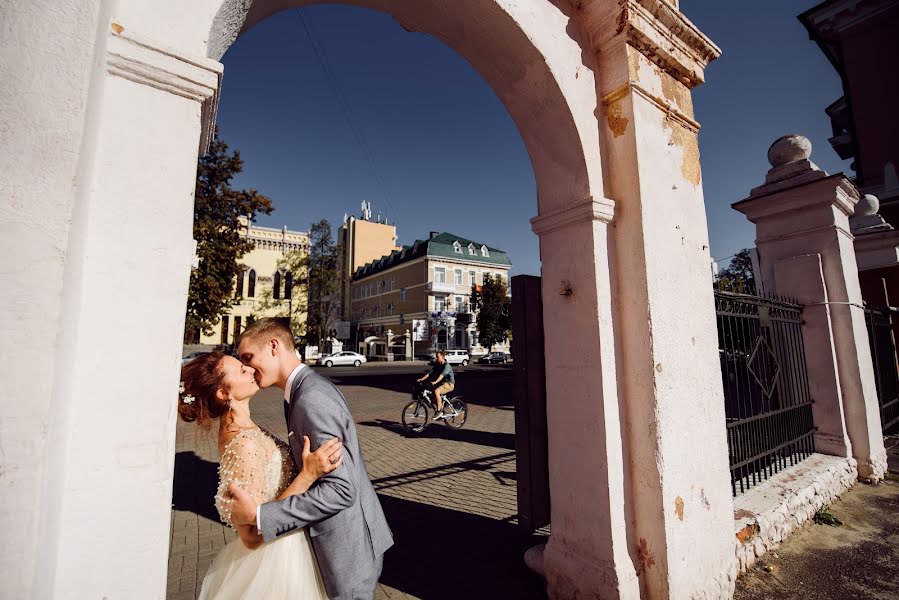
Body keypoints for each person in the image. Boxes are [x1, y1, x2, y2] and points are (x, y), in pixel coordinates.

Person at [228, 318, 394, 600]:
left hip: (348, 553)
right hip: (348, 543)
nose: (247, 367)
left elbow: (341, 490)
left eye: (248, 357)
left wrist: (262, 516)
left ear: (273, 346)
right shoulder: (301, 391)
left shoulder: (310, 398)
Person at [178, 351, 344, 599]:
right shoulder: (243, 442)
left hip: (286, 544)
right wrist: (308, 475)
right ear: (224, 393)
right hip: (277, 561)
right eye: (241, 371)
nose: (250, 370)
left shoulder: (244, 428)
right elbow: (252, 536)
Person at [416, 350, 455, 419]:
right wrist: (422, 379)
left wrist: (435, 382)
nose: (436, 358)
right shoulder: (438, 364)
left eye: (438, 357)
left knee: (437, 391)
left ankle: (439, 411)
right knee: (433, 396)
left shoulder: (447, 366)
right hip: (443, 384)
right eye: (436, 357)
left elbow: (442, 375)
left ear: (442, 357)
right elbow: (429, 373)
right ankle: (441, 408)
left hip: (449, 385)